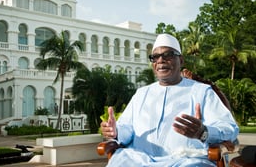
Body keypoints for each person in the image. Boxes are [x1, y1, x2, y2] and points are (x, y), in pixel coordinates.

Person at [100, 33, 239, 167]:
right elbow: (127, 128)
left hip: (187, 160)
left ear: (181, 60)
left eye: (168, 55)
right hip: (139, 160)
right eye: (155, 57)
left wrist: (204, 132)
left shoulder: (202, 92)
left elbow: (229, 129)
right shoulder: (141, 94)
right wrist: (116, 131)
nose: (160, 60)